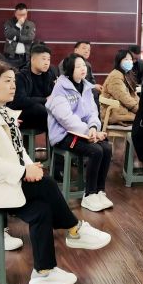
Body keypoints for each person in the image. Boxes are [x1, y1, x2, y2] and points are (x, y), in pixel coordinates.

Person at [0, 60, 111, 284]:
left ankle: (44, 273)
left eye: (14, 81)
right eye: (7, 81)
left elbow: (19, 150)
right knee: (46, 183)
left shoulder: (0, 110)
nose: (13, 86)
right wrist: (24, 171)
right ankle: (75, 229)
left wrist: (29, 167)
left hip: (0, 182)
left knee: (41, 210)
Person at [47, 54, 113, 212]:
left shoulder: (87, 87)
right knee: (96, 151)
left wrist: (93, 128)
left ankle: (99, 191)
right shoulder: (60, 89)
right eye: (78, 66)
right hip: (63, 135)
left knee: (107, 148)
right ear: (69, 70)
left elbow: (92, 112)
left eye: (83, 65)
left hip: (83, 132)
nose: (83, 69)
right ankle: (89, 195)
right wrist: (89, 132)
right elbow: (66, 119)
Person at [10, 43, 58, 134]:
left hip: (42, 114)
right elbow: (20, 100)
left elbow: (53, 97)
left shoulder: (49, 74)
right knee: (38, 109)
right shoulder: (20, 76)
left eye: (48, 59)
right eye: (43, 59)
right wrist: (45, 100)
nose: (47, 62)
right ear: (33, 59)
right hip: (23, 114)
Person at [100, 49, 139, 126]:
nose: (129, 62)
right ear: (119, 61)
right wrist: (139, 109)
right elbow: (124, 97)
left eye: (131, 59)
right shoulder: (116, 76)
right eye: (126, 59)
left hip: (122, 111)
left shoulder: (125, 74)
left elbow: (132, 95)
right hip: (114, 114)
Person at [4, 3, 37, 68]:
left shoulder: (31, 24)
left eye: (24, 14)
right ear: (15, 14)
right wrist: (18, 25)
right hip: (11, 57)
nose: (22, 17)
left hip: (26, 57)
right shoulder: (9, 23)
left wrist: (15, 38)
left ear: (27, 13)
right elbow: (8, 35)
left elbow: (30, 39)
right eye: (19, 15)